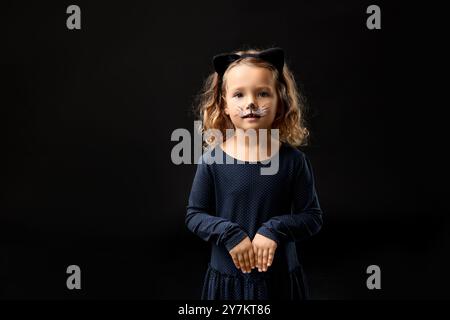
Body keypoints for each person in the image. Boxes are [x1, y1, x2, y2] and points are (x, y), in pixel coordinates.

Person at [185, 47, 323, 300]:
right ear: (223, 105)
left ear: (280, 103)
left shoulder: (294, 161)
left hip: (279, 282)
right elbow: (194, 215)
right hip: (227, 284)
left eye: (262, 93)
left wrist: (275, 229)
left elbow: (312, 218)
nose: (251, 102)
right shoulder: (211, 161)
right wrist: (228, 233)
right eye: (238, 94)